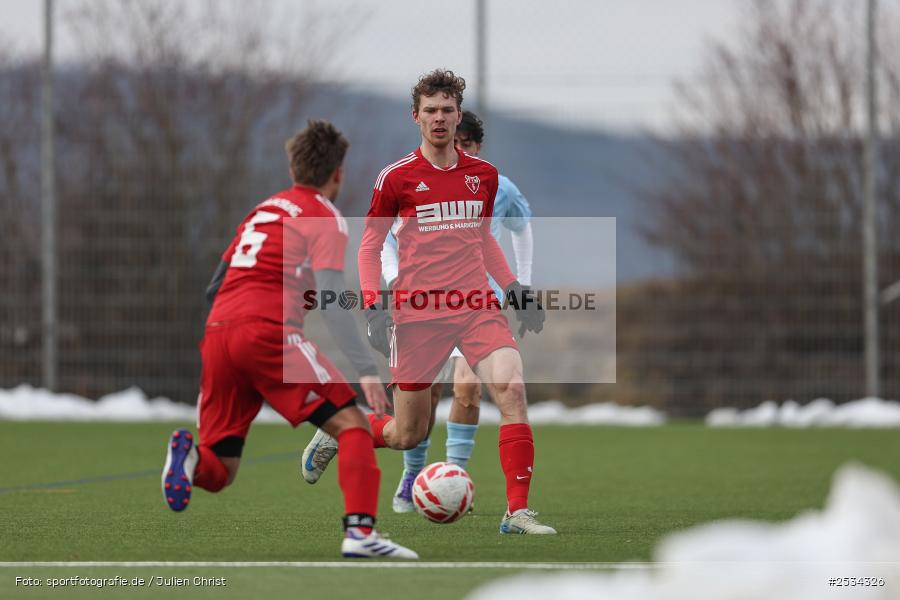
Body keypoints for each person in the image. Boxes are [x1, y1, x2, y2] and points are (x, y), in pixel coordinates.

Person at [301, 70, 555, 535]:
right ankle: (341, 430)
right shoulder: (396, 178)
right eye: (431, 110)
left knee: (512, 389)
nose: (439, 118)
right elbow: (370, 246)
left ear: (459, 117)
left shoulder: (484, 176)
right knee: (407, 434)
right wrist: (375, 305)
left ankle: (516, 512)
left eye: (447, 110)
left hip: (477, 306)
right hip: (417, 315)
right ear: (416, 116)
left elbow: (484, 241)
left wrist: (516, 287)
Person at [160, 120, 417, 559]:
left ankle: (188, 462)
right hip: (267, 333)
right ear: (338, 173)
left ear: (293, 165)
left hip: (220, 334)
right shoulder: (325, 216)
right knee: (352, 426)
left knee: (220, 467)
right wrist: (367, 371)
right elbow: (335, 299)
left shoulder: (262, 210)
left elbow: (214, 286)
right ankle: (360, 535)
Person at [380, 110, 534, 513]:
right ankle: (413, 473)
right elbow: (385, 240)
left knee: (470, 388)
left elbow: (517, 230)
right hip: (424, 305)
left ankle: (452, 480)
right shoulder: (411, 180)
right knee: (424, 399)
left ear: (475, 146)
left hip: (479, 301)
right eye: (453, 141)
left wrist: (522, 284)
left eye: (465, 144)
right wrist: (392, 281)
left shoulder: (494, 183)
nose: (457, 149)